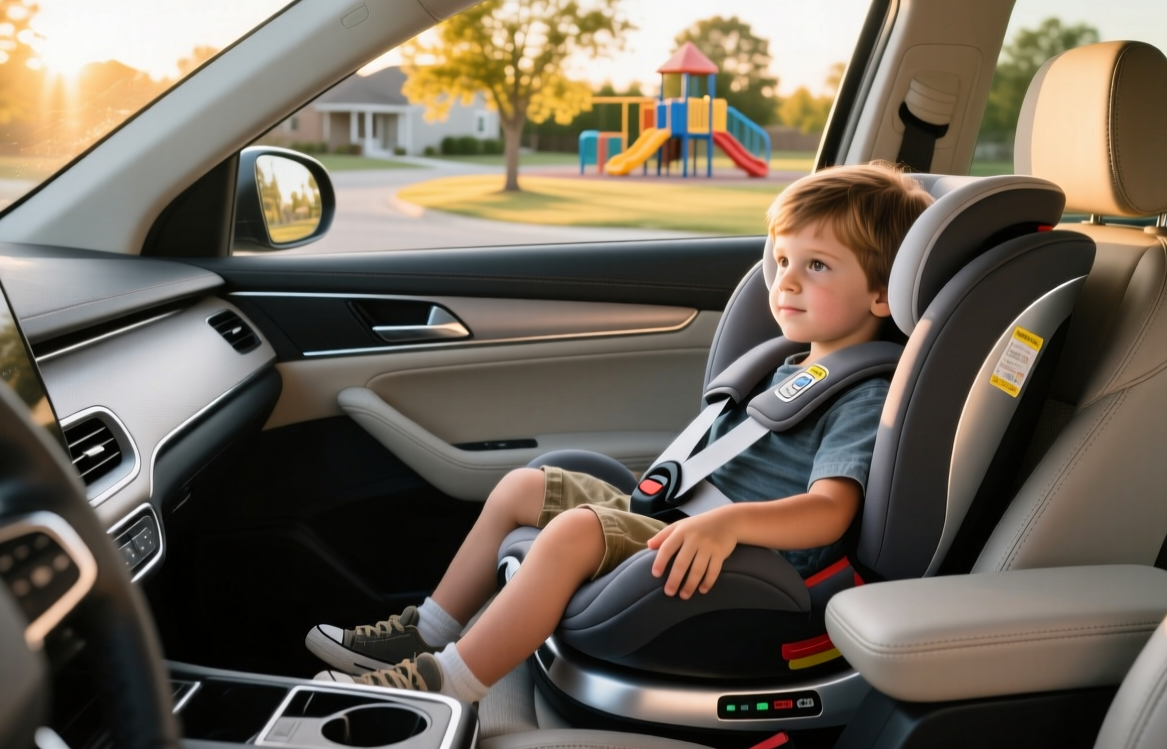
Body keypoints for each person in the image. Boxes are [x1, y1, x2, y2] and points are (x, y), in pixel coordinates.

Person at [305, 161, 934, 700]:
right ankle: (432, 627)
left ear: (882, 295)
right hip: (692, 521)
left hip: (749, 556)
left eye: (818, 265)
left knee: (577, 528)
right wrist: (671, 493)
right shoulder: (790, 364)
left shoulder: (863, 393)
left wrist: (726, 523)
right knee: (527, 485)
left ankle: (447, 681)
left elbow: (828, 512)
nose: (786, 281)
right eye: (782, 259)